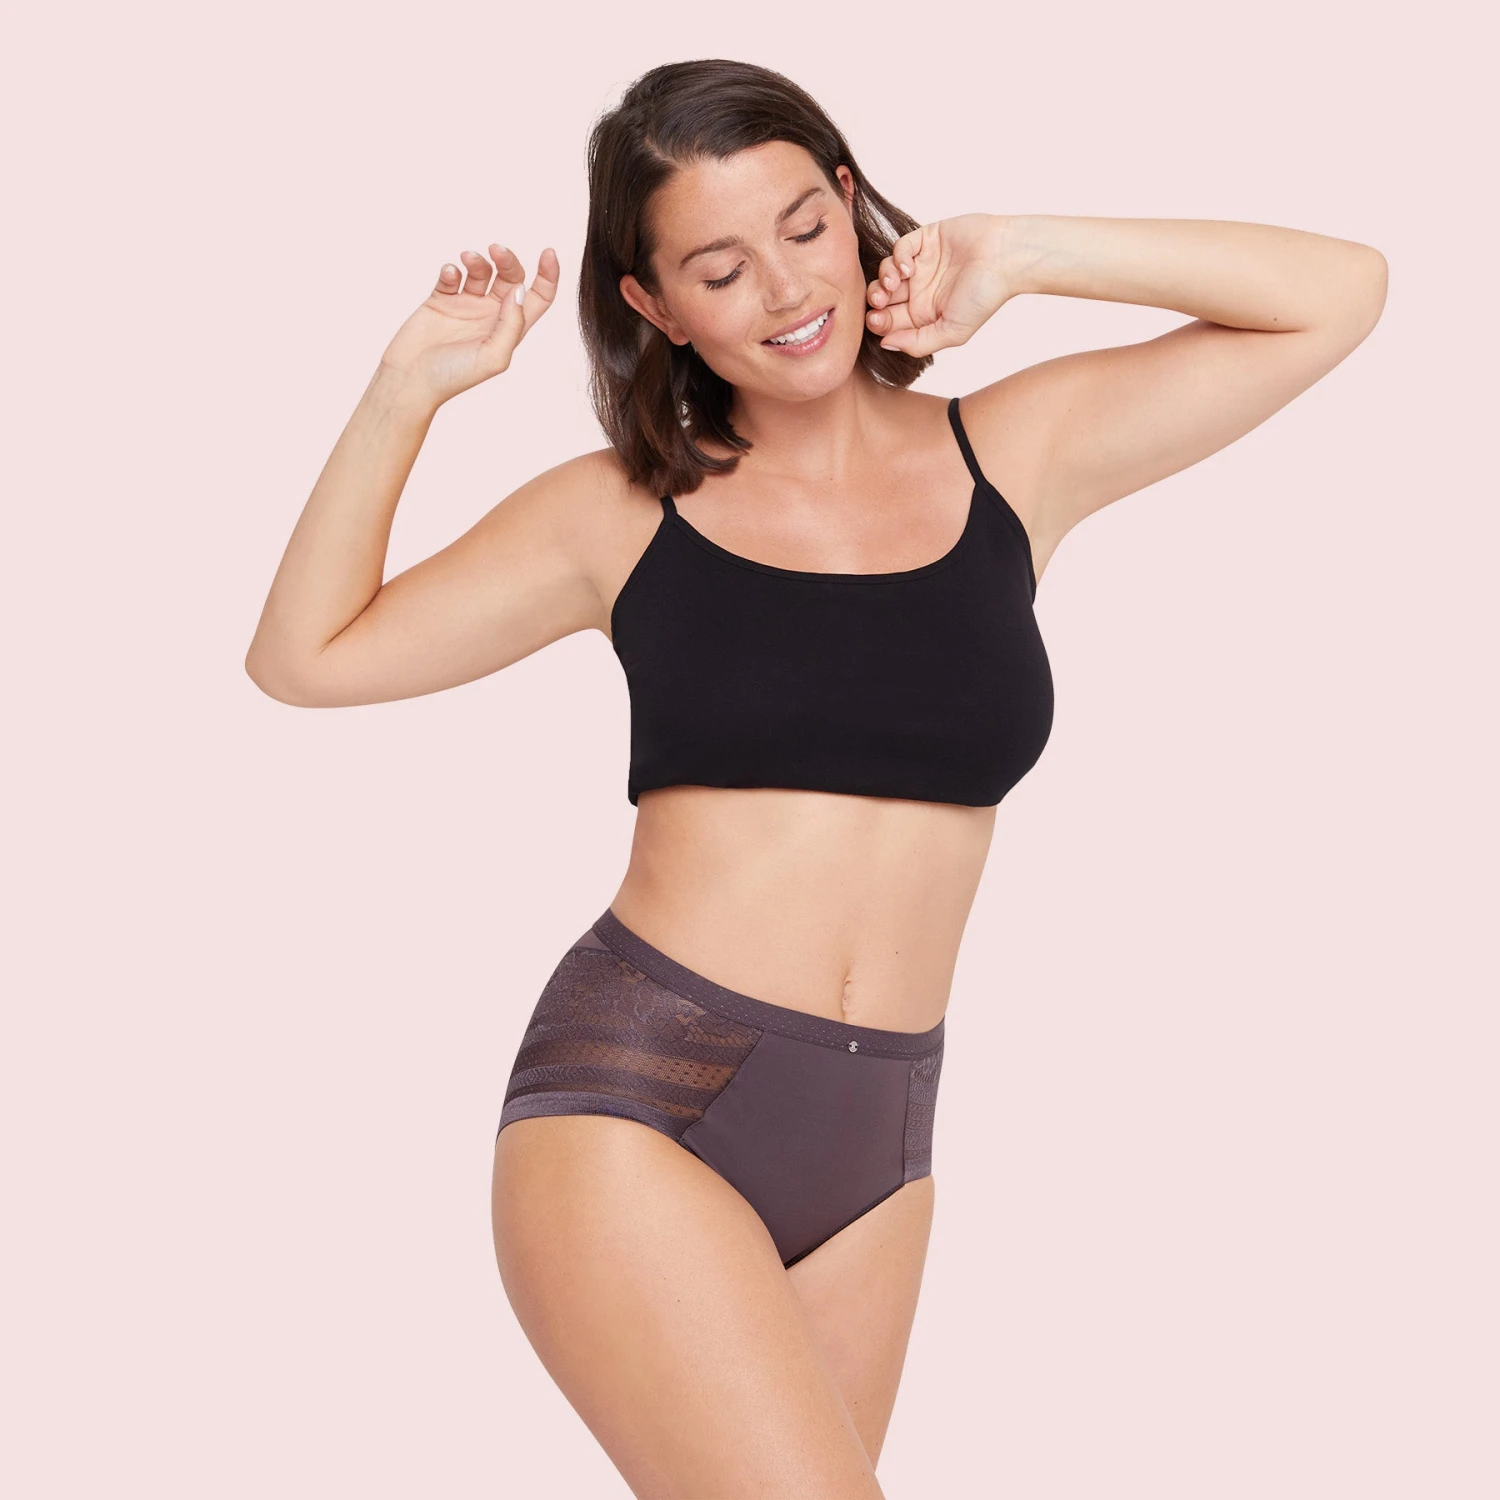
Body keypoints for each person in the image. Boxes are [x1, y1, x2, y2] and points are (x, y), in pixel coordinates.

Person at [245, 57, 1386, 1500]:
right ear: (654, 306)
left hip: (880, 1140)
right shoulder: (617, 514)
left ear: (851, 205)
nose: (787, 290)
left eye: (803, 227)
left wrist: (1021, 250)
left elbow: (1339, 293)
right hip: (643, 1101)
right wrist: (405, 390)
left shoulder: (1012, 455)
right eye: (720, 269)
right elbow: (307, 656)